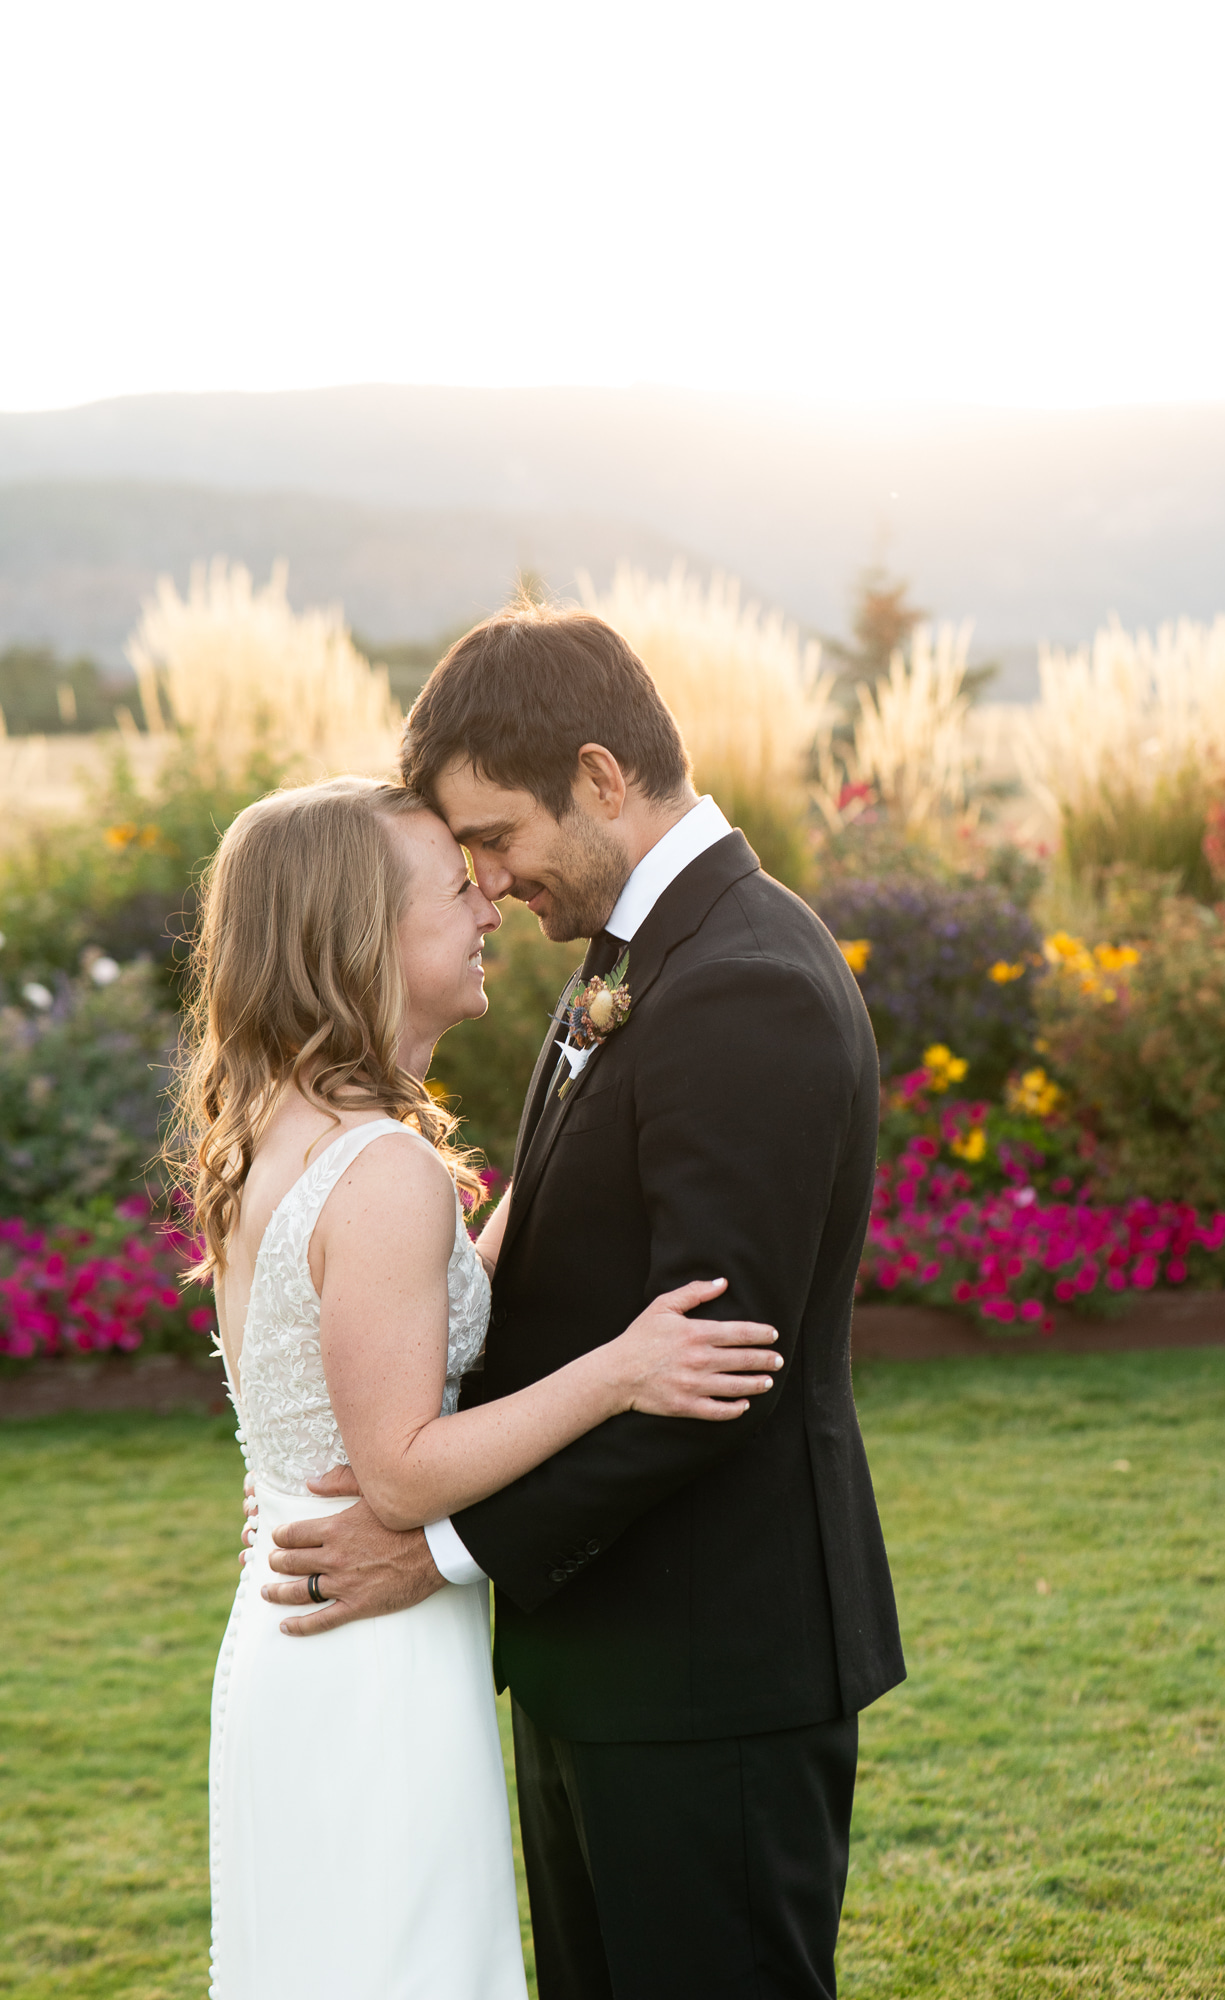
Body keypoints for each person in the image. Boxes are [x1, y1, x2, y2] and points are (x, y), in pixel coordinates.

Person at [267, 607, 906, 2000]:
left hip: (709, 1668)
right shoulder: (628, 963)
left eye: (495, 837)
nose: (488, 881)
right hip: (598, 1652)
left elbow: (711, 1384)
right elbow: (556, 1271)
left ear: (601, 777)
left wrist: (435, 1552)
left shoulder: (741, 983)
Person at [182, 775, 781, 1999]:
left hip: (295, 1619)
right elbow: (400, 1467)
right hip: (367, 1654)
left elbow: (428, 1298)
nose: (491, 903)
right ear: (362, 937)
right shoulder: (384, 1167)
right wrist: (622, 1372)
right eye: (456, 886)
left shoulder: (282, 1128)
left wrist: (576, 1098)